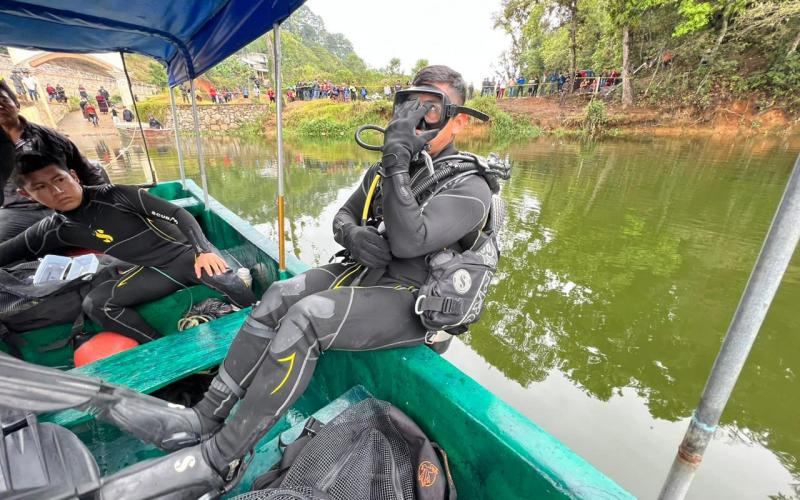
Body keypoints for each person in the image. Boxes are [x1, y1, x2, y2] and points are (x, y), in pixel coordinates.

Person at [92, 65, 495, 498]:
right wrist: (355, 235)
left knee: (309, 318)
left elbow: (409, 239)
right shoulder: (386, 170)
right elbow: (343, 216)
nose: (415, 119)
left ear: (458, 120)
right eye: (408, 105)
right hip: (367, 274)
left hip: (415, 300)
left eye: (430, 109)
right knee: (281, 293)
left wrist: (396, 160)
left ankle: (222, 456)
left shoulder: (470, 186)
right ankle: (207, 415)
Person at [0, 151, 256, 343]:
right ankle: (163, 350)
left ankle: (261, 328)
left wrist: (203, 250)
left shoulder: (115, 195)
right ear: (27, 195)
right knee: (96, 304)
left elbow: (178, 214)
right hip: (152, 270)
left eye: (60, 180)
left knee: (230, 283)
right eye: (41, 187)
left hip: (188, 255)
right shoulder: (53, 228)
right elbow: (8, 251)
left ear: (74, 176)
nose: (57, 191)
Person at [0, 79, 106, 242]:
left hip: (62, 203)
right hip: (19, 211)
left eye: (3, 100)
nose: (1, 107)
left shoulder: (50, 137)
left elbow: (86, 170)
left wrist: (105, 201)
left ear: (16, 104)